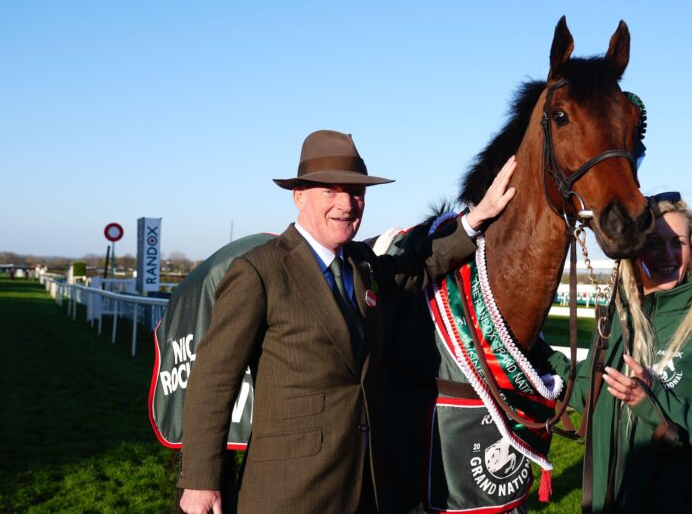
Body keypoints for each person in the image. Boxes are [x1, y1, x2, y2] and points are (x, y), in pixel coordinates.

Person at [177, 130, 517, 514]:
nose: (346, 204)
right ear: (299, 196)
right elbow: (213, 380)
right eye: (330, 191)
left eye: (356, 192)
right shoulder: (258, 271)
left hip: (365, 486)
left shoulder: (362, 263)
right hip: (290, 492)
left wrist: (477, 217)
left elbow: (417, 266)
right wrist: (201, 481)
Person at [547, 192, 692, 513]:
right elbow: (589, 394)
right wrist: (530, 351)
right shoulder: (618, 320)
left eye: (677, 242)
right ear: (634, 250)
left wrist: (654, 403)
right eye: (653, 242)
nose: (667, 254)